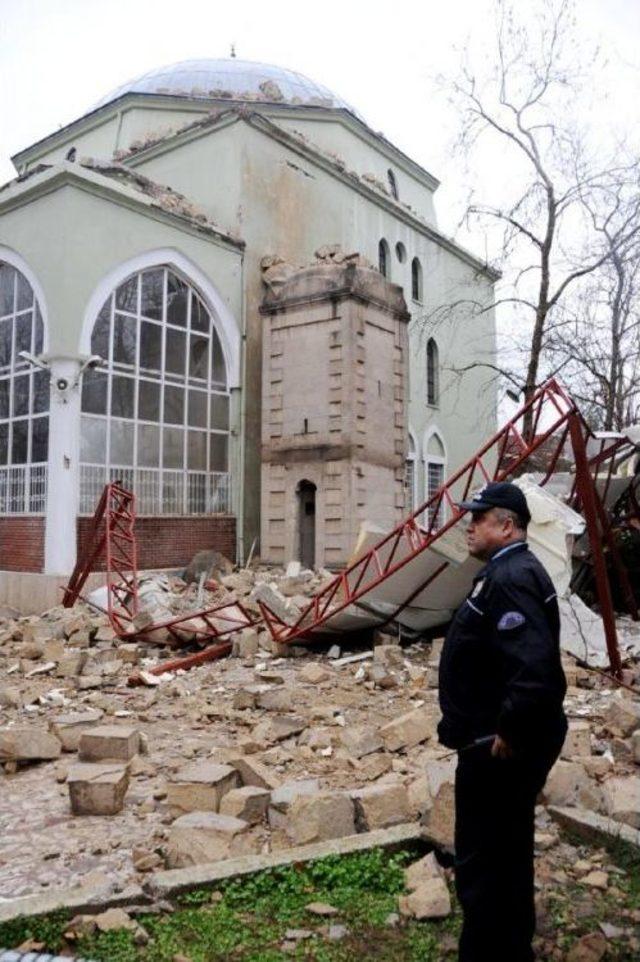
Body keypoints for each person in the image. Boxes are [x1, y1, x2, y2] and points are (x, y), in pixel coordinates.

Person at [438, 481, 567, 962]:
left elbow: (532, 670)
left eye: (479, 517)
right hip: (493, 739)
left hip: (497, 747)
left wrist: (510, 731)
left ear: (507, 525)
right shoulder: (506, 572)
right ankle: (509, 949)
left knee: (485, 859)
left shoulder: (511, 577)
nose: (469, 525)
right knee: (506, 853)